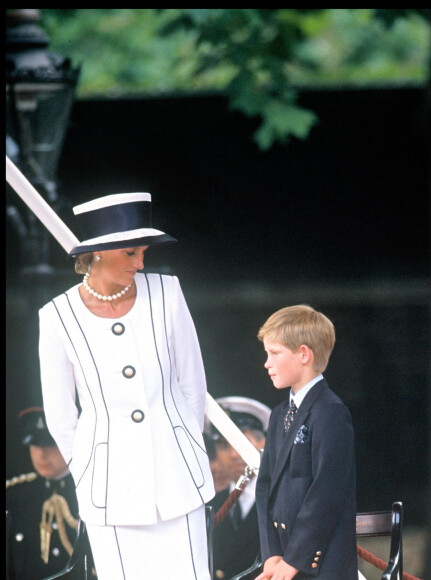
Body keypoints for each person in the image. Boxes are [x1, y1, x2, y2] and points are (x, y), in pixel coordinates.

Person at [38, 192, 215, 579]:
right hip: (108, 491)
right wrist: (87, 469)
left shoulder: (168, 292)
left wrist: (185, 444)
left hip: (178, 480)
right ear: (99, 252)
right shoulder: (56, 317)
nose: (141, 262)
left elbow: (192, 384)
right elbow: (61, 414)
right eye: (131, 253)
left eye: (143, 253)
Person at [255, 304, 358, 580]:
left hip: (321, 566)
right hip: (282, 564)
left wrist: (294, 560)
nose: (267, 363)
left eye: (274, 353)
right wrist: (272, 555)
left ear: (304, 354)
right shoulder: (279, 415)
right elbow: (265, 486)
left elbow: (326, 492)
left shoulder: (330, 412)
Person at [6, 406, 97, 580]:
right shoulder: (14, 498)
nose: (41, 454)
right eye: (34, 443)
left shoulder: (94, 493)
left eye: (50, 444)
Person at [207, 396, 271, 580]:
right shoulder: (211, 501)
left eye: (242, 442)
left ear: (263, 444)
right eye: (224, 445)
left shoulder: (281, 497)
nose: (234, 454)